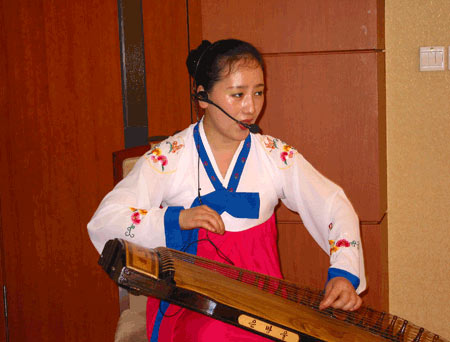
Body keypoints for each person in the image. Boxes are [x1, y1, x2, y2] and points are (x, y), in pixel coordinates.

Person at [87, 38, 366, 342]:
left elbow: (332, 205)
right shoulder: (169, 157)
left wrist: (343, 273)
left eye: (258, 93)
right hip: (190, 303)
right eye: (238, 95)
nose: (251, 108)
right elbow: (106, 220)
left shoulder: (274, 155)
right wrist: (176, 220)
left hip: (265, 306)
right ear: (203, 97)